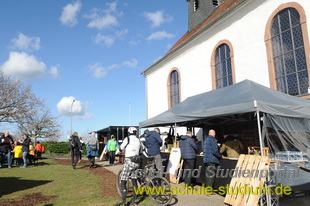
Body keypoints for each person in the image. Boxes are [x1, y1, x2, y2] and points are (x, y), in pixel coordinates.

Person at [117, 127, 141, 206]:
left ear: (129, 132)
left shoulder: (127, 139)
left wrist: (117, 152)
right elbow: (142, 150)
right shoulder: (138, 140)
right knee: (134, 180)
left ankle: (124, 201)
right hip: (136, 162)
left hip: (129, 161)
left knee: (123, 180)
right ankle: (135, 199)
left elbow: (121, 147)